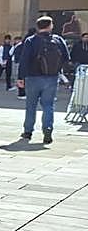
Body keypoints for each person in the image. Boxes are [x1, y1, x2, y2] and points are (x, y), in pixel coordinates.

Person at [15, 16, 71, 145]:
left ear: (38, 26)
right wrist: (58, 71)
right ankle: (48, 129)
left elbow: (24, 60)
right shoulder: (58, 39)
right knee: (48, 105)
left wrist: (20, 77)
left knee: (31, 106)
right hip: (51, 78)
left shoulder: (31, 40)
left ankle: (28, 131)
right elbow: (66, 58)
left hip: (32, 77)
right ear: (50, 26)